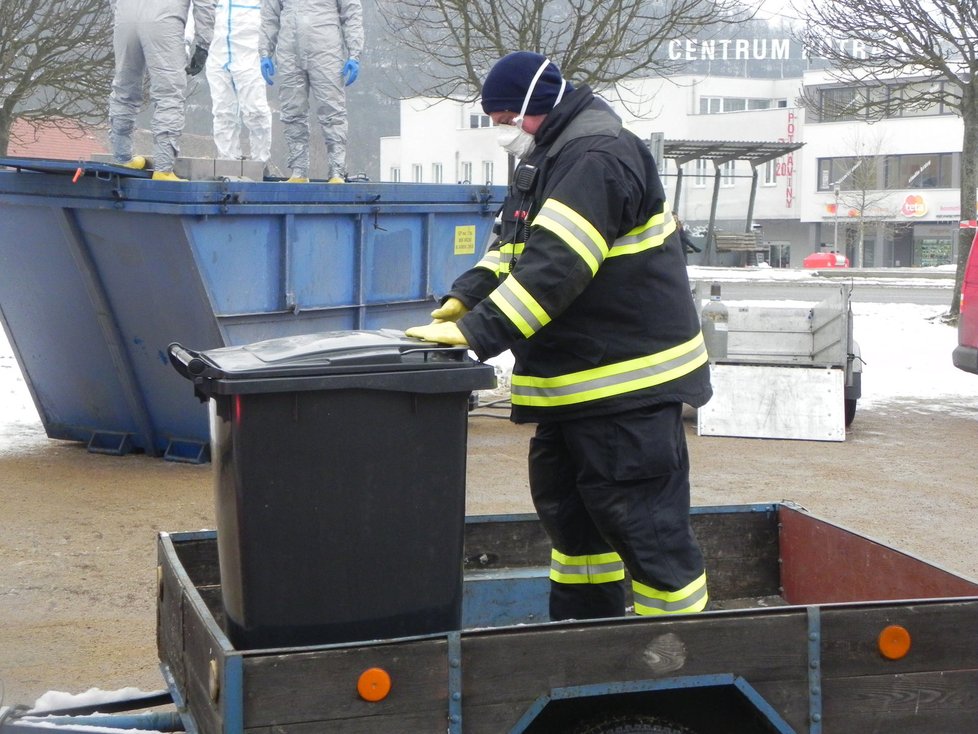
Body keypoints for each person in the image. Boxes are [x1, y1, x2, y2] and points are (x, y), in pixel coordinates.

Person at [406, 52, 713, 622]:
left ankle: (675, 657)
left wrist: (475, 332)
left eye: (504, 118)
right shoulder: (546, 158)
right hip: (577, 385)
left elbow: (558, 267)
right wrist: (464, 297)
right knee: (575, 528)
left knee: (647, 533)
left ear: (537, 106)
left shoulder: (596, 157)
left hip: (626, 387)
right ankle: (584, 638)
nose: (500, 131)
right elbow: (513, 248)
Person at [108, 0, 217, 181]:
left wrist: (120, 13)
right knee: (169, 95)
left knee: (123, 90)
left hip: (125, 16)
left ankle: (122, 158)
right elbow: (205, 3)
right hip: (164, 19)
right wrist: (203, 44)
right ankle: (163, 169)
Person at [259, 0, 364, 183]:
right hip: (289, 50)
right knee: (292, 111)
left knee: (332, 111)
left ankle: (336, 171)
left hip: (326, 49)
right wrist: (264, 52)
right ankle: (299, 170)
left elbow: (351, 12)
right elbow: (270, 15)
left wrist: (354, 53)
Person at [205, 0, 273, 164]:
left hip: (250, 52)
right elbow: (198, 10)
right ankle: (227, 163)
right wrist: (189, 41)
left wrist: (269, 50)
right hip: (217, 52)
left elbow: (273, 15)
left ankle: (260, 163)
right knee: (223, 111)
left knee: (256, 110)